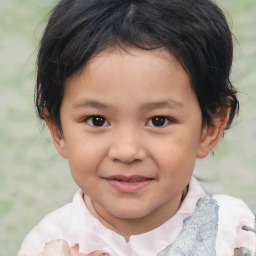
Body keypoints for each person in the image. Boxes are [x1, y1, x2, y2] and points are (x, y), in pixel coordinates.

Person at [17, 0, 256, 255]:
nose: (127, 151)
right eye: (97, 120)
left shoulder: (233, 235)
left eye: (158, 121)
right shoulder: (45, 244)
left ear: (210, 127)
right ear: (58, 130)